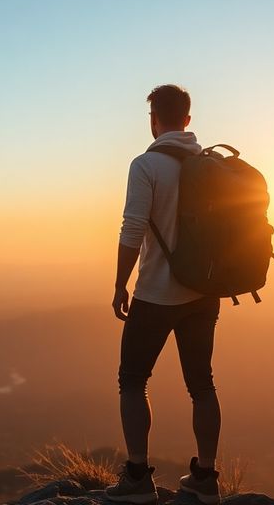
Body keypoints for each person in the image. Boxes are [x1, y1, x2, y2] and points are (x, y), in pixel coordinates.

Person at [105, 84, 223, 504]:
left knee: (133, 380)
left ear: (153, 119)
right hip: (205, 292)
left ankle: (138, 477)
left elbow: (132, 229)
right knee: (202, 384)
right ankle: (206, 479)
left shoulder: (146, 165)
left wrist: (121, 283)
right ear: (187, 120)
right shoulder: (211, 165)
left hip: (156, 294)